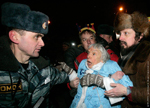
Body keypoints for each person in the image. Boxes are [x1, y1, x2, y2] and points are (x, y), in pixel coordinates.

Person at [0, 2, 78, 108]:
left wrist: (73, 81)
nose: (42, 43)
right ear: (14, 37)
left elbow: (66, 77)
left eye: (42, 37)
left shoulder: (44, 69)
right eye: (36, 37)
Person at [103, 11, 150, 108]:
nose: (121, 38)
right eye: (120, 33)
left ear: (140, 36)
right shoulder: (125, 54)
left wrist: (127, 91)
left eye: (126, 33)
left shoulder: (147, 56)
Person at [70, 43, 133, 108]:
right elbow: (78, 82)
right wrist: (72, 83)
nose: (88, 56)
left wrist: (105, 81)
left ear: (102, 57)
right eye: (88, 53)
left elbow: (127, 87)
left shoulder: (110, 65)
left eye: (94, 54)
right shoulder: (83, 64)